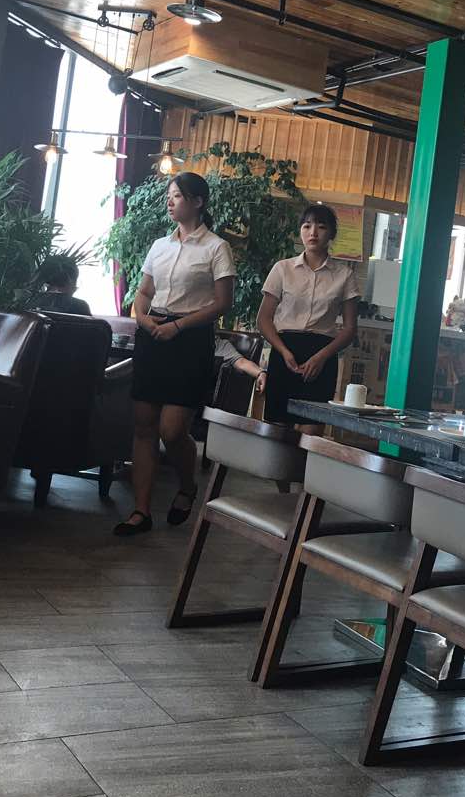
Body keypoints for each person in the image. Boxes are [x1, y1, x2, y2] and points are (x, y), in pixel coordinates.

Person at [113, 171, 235, 537]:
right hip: (153, 334)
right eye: (169, 195)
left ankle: (188, 485)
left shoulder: (216, 247)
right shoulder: (159, 246)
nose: (170, 201)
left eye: (177, 195)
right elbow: (143, 292)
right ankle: (141, 511)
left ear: (198, 201)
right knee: (144, 426)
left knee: (172, 429)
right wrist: (141, 317)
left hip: (190, 339)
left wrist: (178, 327)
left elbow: (222, 303)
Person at [257, 203, 359, 430]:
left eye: (321, 227)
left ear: (331, 234)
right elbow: (263, 319)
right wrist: (283, 351)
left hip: (323, 355)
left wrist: (321, 357)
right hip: (285, 352)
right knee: (277, 434)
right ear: (300, 231)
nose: (313, 232)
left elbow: (350, 328)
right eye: (306, 226)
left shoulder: (345, 275)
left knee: (311, 435)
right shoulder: (282, 268)